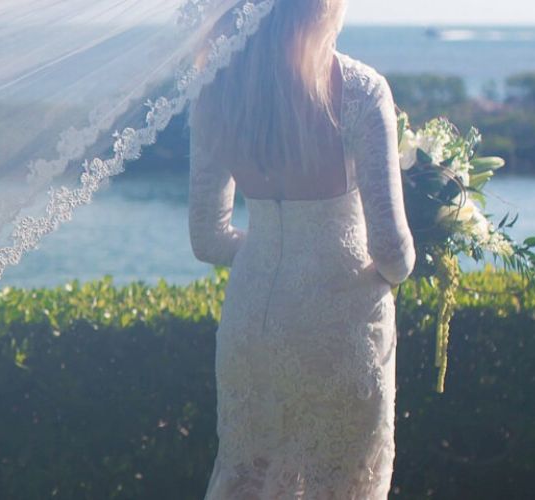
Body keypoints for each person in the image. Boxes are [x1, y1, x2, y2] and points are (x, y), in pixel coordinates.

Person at [188, 0, 414, 498]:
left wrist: (269, 248)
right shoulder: (361, 88)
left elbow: (207, 238)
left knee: (249, 473)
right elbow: (392, 251)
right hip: (341, 323)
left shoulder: (216, 92)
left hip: (253, 321)